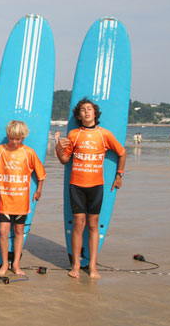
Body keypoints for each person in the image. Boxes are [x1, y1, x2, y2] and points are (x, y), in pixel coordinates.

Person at [56, 98, 126, 279]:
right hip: (77, 185)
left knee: (93, 224)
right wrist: (58, 148)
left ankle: (93, 266)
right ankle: (76, 265)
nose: (86, 112)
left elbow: (122, 152)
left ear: (95, 113)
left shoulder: (104, 134)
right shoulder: (73, 135)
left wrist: (119, 175)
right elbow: (64, 160)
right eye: (83, 110)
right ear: (79, 116)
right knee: (79, 223)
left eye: (89, 109)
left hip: (96, 185)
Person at [0, 120, 46, 276]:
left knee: (19, 231)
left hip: (21, 201)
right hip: (5, 199)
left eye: (18, 139)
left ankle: (16, 264)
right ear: (8, 136)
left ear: (23, 137)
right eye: (11, 138)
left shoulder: (28, 152)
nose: (14, 142)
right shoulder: (0, 150)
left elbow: (41, 174)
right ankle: (4, 264)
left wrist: (39, 190)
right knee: (3, 232)